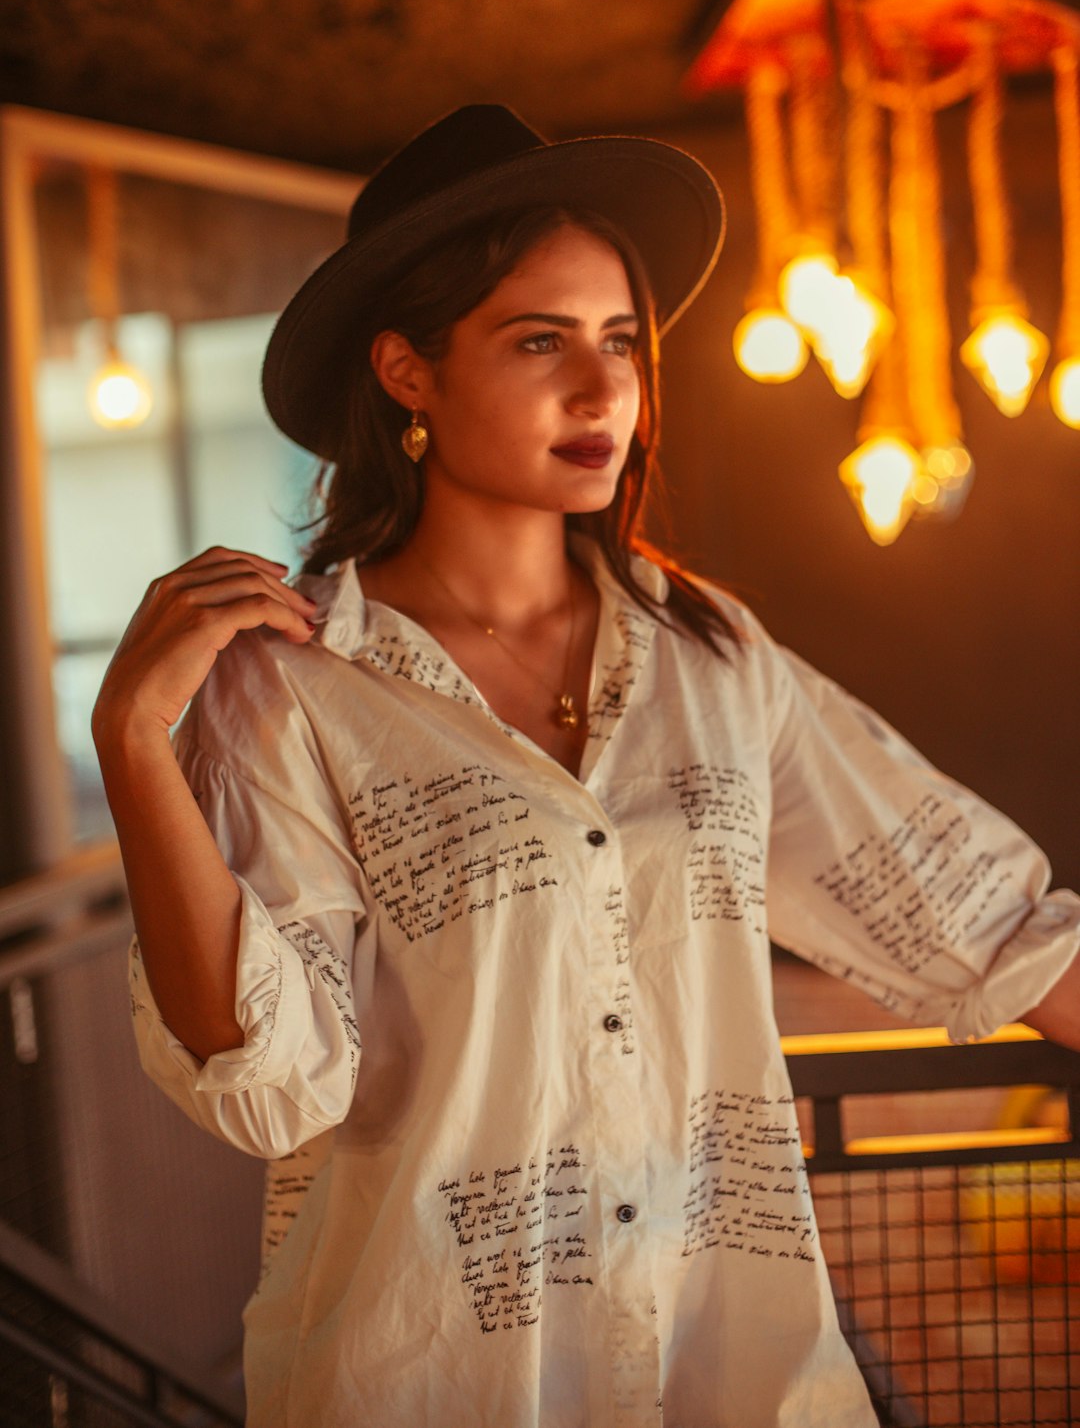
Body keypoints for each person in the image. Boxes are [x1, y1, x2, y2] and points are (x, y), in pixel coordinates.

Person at [91, 104, 1080, 1428]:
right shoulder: (294, 680)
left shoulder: (712, 654)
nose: (602, 388)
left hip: (731, 1370)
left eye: (621, 340)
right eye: (539, 339)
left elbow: (973, 910)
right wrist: (131, 747)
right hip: (430, 1377)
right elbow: (273, 1077)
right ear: (407, 372)